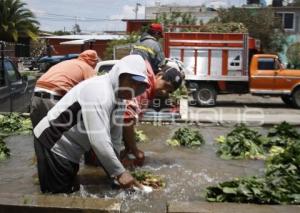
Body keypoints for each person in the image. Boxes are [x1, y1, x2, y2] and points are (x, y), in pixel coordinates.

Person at [33, 55, 149, 194]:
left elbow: (115, 140)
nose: (134, 88)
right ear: (119, 75)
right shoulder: (99, 90)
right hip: (53, 142)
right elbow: (98, 140)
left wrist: (114, 172)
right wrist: (120, 173)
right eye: (131, 82)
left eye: (139, 85)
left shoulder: (120, 102)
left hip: (71, 149)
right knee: (57, 198)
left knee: (71, 192)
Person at [120, 64, 184, 168]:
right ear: (159, 75)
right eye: (166, 86)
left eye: (169, 91)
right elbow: (127, 120)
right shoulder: (144, 87)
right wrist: (135, 150)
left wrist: (128, 148)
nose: (164, 92)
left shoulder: (149, 91)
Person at [30, 50, 99, 128]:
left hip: (36, 94)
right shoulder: (87, 68)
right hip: (53, 98)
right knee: (57, 133)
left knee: (38, 131)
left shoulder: (66, 62)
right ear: (94, 62)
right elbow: (93, 91)